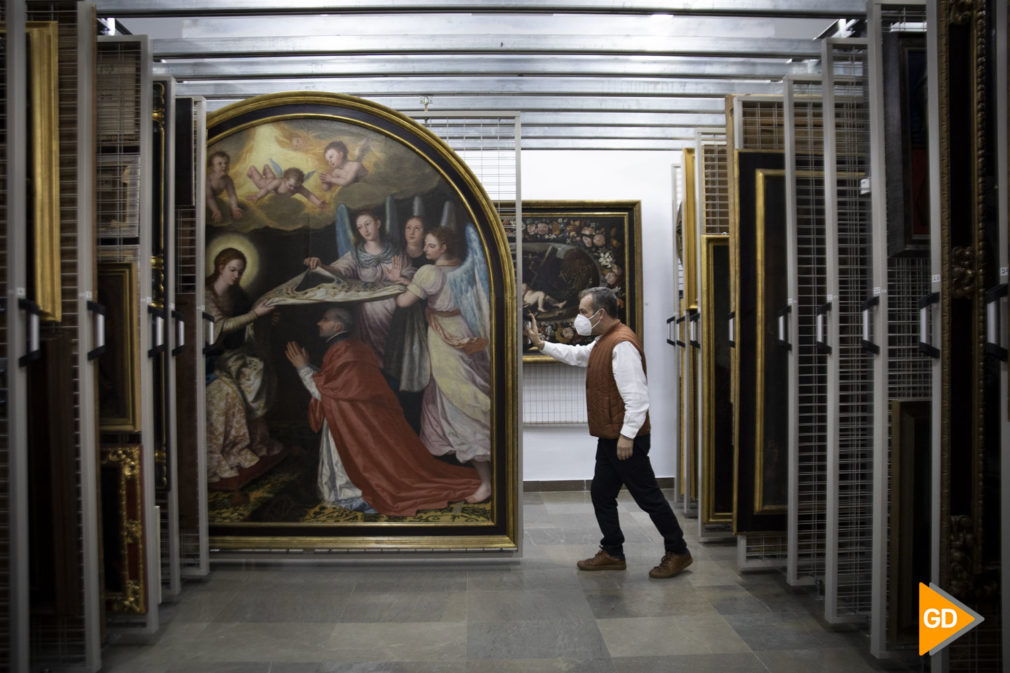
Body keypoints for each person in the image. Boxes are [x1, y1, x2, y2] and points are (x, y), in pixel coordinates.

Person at [526, 286, 692, 579]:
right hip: (611, 436)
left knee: (648, 497)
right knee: (602, 494)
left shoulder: (622, 344)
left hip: (624, 440)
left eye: (583, 312)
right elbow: (579, 356)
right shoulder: (605, 340)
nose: (579, 317)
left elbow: (638, 398)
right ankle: (613, 551)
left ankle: (678, 551)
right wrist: (542, 344)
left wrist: (627, 436)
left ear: (600, 313)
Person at [284, 306, 483, 516]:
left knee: (357, 467)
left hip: (351, 425)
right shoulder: (346, 348)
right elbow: (331, 385)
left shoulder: (348, 351)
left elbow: (327, 393)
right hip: (346, 420)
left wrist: (303, 367)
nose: (319, 323)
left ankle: (351, 496)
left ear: (338, 325)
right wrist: (308, 367)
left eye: (324, 319)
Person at [392, 226, 492, 503]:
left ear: (444, 247)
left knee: (458, 400)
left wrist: (397, 282)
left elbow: (403, 302)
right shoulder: (463, 271)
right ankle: (482, 475)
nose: (425, 250)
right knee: (458, 394)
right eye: (425, 245)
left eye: (430, 245)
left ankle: (486, 482)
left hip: (444, 341)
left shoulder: (429, 273)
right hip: (463, 330)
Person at [204, 248, 284, 485]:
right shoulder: (206, 295)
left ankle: (255, 442)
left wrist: (267, 319)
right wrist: (255, 315)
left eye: (240, 271)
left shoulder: (237, 294)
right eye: (232, 270)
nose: (237, 275)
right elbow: (222, 327)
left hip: (229, 353)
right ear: (220, 267)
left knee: (258, 371)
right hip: (206, 358)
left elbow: (249, 322)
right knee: (232, 391)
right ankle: (233, 447)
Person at [303, 208, 413, 363]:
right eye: (360, 227)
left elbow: (410, 273)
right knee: (369, 354)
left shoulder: (395, 250)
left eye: (367, 224)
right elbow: (340, 269)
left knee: (394, 352)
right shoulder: (357, 254)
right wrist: (322, 266)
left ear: (378, 223)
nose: (365, 230)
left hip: (395, 309)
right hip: (367, 313)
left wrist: (401, 277)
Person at [247, 164, 327, 208]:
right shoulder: (278, 182)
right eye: (290, 185)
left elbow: (308, 194)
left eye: (296, 186)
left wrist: (318, 203)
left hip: (272, 179)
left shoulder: (297, 187)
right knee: (260, 182)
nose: (293, 189)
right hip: (267, 184)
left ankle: (266, 167)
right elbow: (267, 189)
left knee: (271, 176)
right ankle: (252, 169)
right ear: (285, 180)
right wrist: (257, 196)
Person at [206, 151, 243, 223]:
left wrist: (234, 208)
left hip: (214, 199)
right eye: (220, 164)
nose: (224, 166)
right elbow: (209, 197)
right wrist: (216, 211)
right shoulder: (208, 179)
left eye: (226, 163)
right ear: (213, 167)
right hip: (206, 201)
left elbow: (232, 195)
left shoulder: (227, 179)